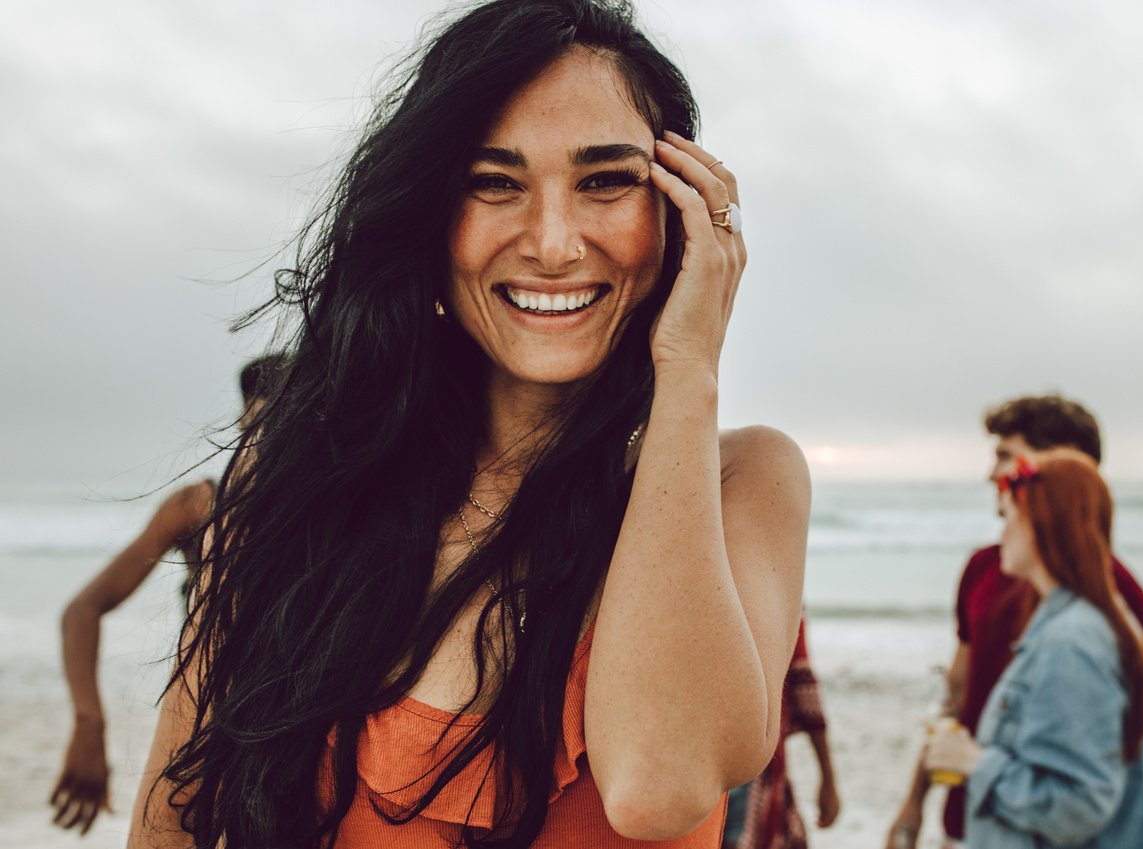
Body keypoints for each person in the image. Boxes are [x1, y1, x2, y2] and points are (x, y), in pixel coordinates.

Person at [127, 2, 809, 848]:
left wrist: (689, 369)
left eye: (605, 181)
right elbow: (166, 825)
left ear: (681, 214)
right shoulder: (299, 475)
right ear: (429, 222)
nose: (555, 243)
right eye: (495, 182)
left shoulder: (747, 482)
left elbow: (655, 788)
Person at [884, 394, 1143, 849]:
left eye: (1006, 459)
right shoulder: (986, 571)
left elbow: (1099, 783)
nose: (992, 476)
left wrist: (976, 765)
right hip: (979, 824)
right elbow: (957, 695)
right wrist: (914, 805)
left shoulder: (1102, 614)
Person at [49, 354, 284, 835]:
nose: (268, 443)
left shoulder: (336, 522)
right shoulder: (201, 507)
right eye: (258, 425)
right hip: (203, 734)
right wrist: (89, 724)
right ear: (242, 424)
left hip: (291, 745)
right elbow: (83, 610)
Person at [723, 616, 840, 849]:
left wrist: (828, 779)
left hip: (753, 768)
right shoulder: (774, 582)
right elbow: (804, 683)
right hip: (745, 762)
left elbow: (802, 683)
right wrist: (828, 779)